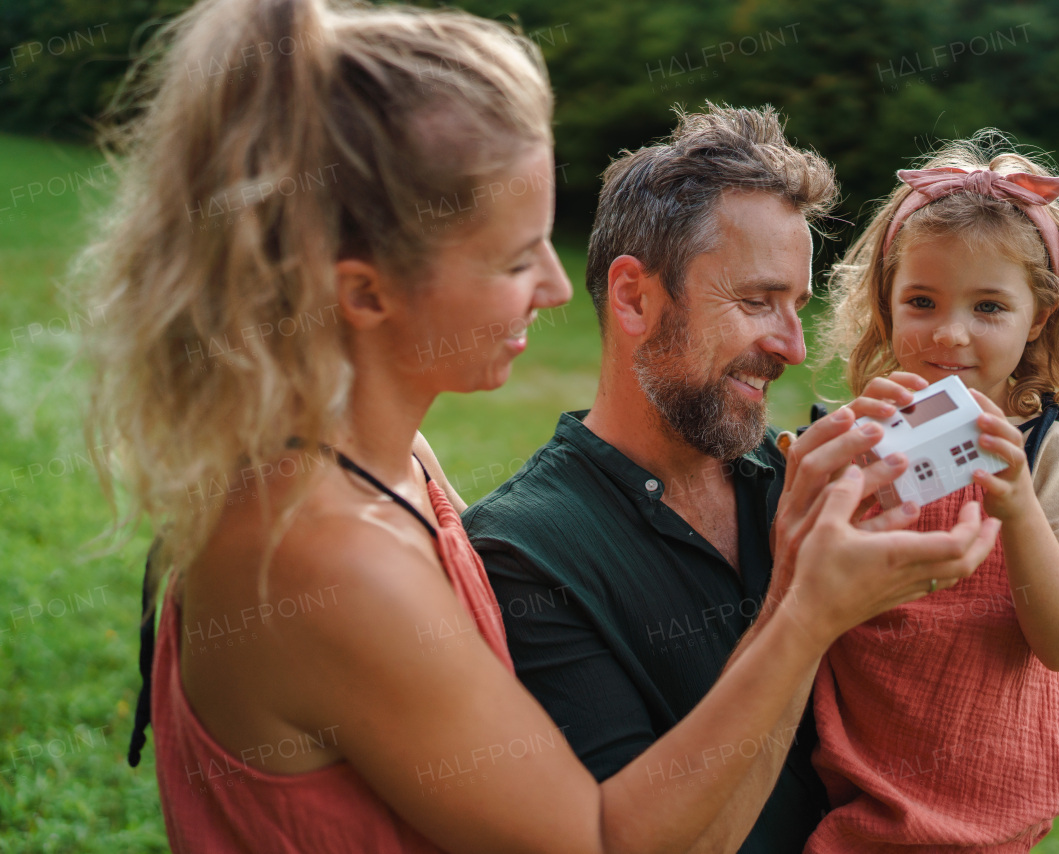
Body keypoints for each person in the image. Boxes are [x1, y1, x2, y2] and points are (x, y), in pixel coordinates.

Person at [83, 0, 1000, 851]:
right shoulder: (324, 556)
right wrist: (806, 612)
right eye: (519, 259)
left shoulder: (386, 458)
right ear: (363, 290)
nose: (562, 289)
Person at [462, 105, 999, 854]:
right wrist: (801, 611)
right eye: (755, 301)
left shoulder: (802, 481)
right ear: (635, 298)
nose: (789, 345)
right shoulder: (527, 554)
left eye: (798, 306)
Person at [806, 131, 1059, 852]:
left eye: (989, 308)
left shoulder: (1048, 458)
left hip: (992, 805)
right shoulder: (852, 440)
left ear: (1037, 318)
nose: (950, 335)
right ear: (887, 306)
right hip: (852, 793)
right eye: (922, 301)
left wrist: (1015, 502)